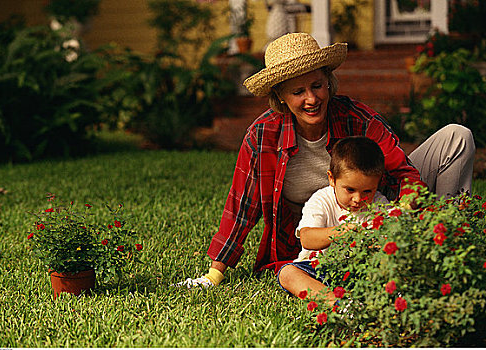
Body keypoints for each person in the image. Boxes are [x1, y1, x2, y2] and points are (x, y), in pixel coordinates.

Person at [177, 32, 475, 290]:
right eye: (298, 92)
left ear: (328, 82)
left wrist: (401, 215)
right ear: (280, 97)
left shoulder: (357, 118)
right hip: (320, 239)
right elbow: (242, 207)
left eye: (317, 86)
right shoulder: (262, 135)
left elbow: (403, 173)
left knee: (457, 136)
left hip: (375, 211)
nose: (312, 99)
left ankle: (446, 242)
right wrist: (214, 273)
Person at [278, 136, 388, 303]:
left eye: (367, 191)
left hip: (361, 272)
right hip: (319, 269)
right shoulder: (322, 200)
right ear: (332, 179)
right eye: (350, 189)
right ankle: (339, 303)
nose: (358, 198)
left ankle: (366, 300)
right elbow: (307, 238)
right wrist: (339, 232)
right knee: (287, 273)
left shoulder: (380, 205)